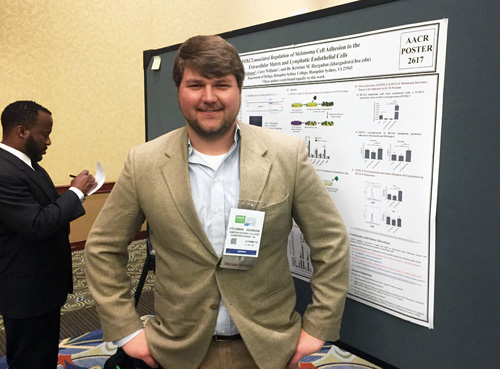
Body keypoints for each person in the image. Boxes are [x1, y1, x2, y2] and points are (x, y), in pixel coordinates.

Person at [84, 35, 349, 369]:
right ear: (179, 91)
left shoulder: (286, 155)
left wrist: (319, 324)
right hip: (179, 349)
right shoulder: (144, 162)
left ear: (238, 90)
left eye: (221, 85)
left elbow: (330, 241)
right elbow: (102, 249)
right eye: (195, 85)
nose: (209, 98)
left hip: (268, 348)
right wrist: (125, 329)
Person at [0, 101, 96, 369]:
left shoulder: (30, 166)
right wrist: (75, 193)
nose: (49, 141)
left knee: (42, 353)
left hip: (43, 284)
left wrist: (77, 195)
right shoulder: (3, 171)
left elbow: (50, 210)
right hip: (24, 290)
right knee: (29, 358)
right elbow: (37, 224)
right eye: (45, 133)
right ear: (21, 131)